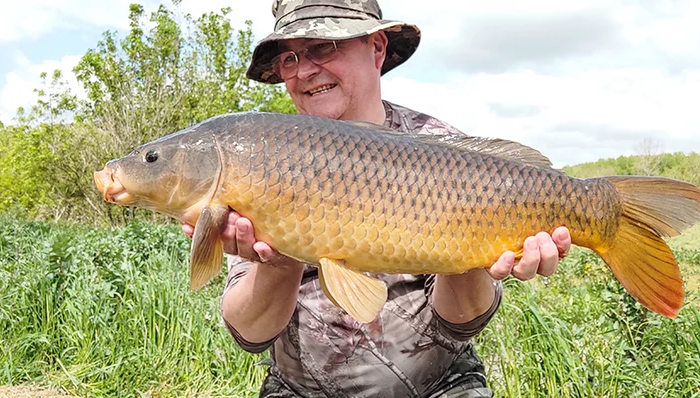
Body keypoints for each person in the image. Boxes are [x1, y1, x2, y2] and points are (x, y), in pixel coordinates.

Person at [181, 1, 572, 396]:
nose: (303, 70)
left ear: (377, 47)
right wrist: (280, 259)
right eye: (288, 57)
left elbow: (463, 321)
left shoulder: (443, 147)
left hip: (438, 386)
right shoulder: (262, 156)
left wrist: (467, 251)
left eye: (323, 46)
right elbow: (250, 334)